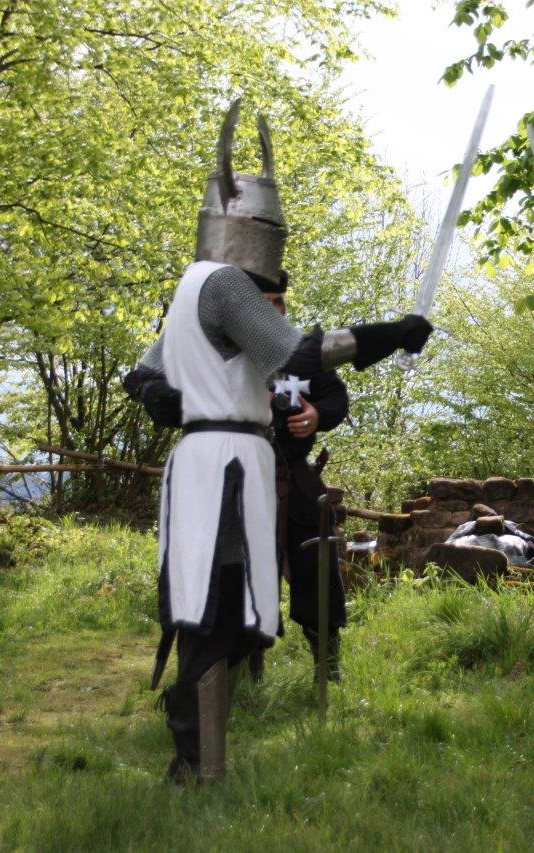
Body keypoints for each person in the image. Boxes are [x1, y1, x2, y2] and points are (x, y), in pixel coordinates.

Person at [125, 100, 431, 784]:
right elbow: (296, 353)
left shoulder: (193, 286)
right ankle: (196, 764)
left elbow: (150, 370)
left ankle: (200, 758)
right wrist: (387, 334)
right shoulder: (224, 284)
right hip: (223, 468)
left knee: (230, 611)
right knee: (217, 608)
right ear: (247, 231)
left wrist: (164, 395)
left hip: (222, 462)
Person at [125, 287, 351, 685]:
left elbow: (336, 397)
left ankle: (327, 666)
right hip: (229, 482)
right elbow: (142, 381)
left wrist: (317, 415)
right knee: (238, 575)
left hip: (293, 477)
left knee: (317, 571)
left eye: (278, 301)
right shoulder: (205, 345)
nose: (272, 309)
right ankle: (242, 672)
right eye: (262, 301)